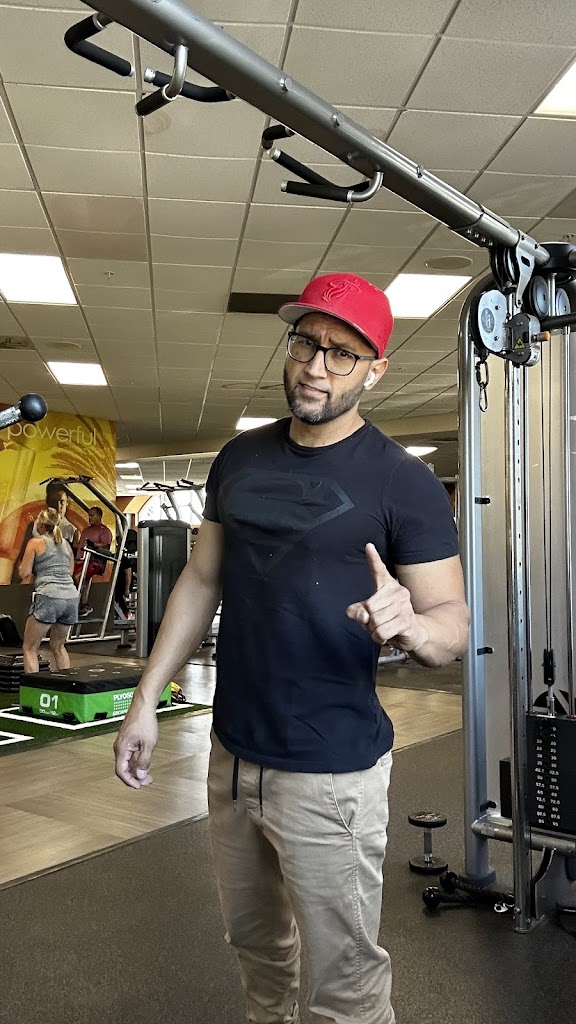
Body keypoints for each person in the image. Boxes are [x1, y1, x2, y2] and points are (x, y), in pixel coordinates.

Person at [114, 272, 470, 1024]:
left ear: (375, 370)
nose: (316, 366)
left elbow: (453, 625)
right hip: (233, 758)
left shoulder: (402, 481)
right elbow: (201, 579)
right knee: (257, 950)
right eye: (306, 342)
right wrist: (146, 697)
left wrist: (413, 626)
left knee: (344, 983)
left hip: (332, 773)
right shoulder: (239, 458)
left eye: (342, 354)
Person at [19, 507, 79, 673]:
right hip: (71, 598)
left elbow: (24, 572)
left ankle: (33, 688)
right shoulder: (65, 544)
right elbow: (70, 572)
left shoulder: (35, 543)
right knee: (59, 646)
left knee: (30, 648)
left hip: (49, 596)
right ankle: (66, 686)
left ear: (40, 524)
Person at [73, 507, 113, 617]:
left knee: (78, 577)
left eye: (92, 515)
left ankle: (80, 603)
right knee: (80, 579)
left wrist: (94, 545)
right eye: (89, 515)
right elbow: (80, 545)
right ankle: (83, 605)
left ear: (99, 516)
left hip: (94, 561)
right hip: (80, 560)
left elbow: (106, 546)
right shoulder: (86, 530)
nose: (90, 518)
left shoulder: (104, 531)